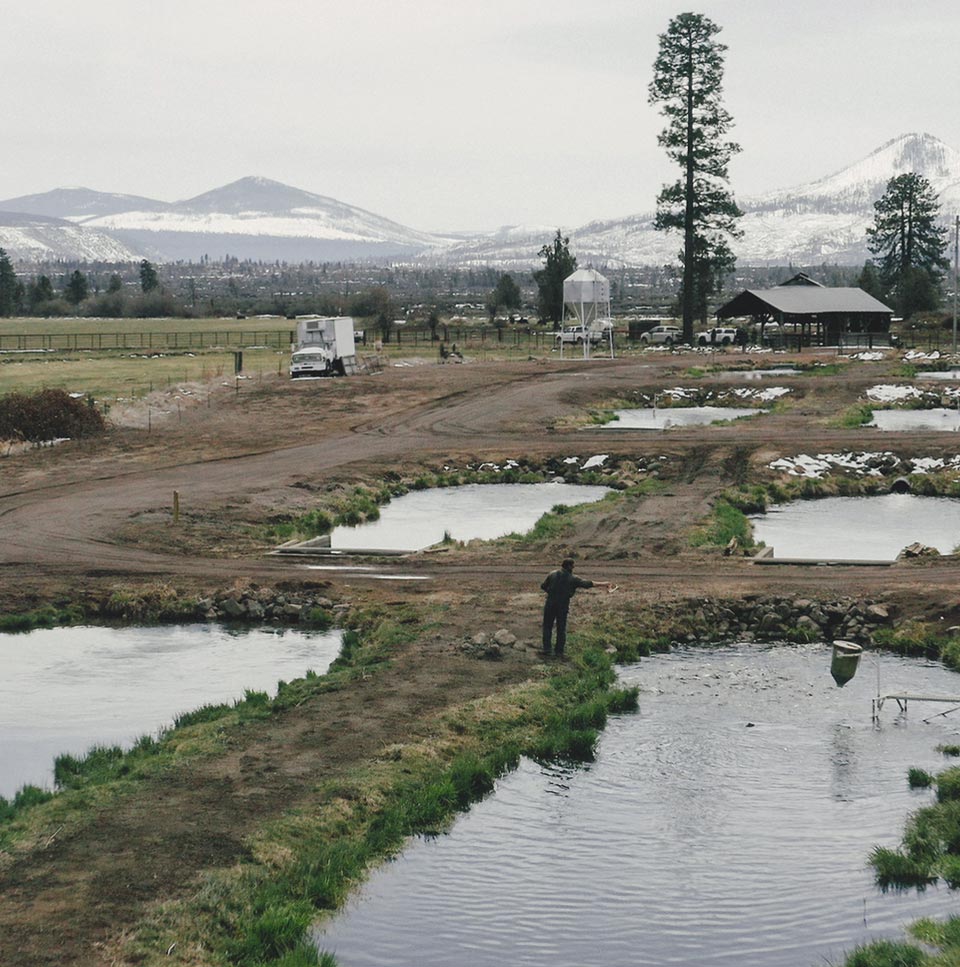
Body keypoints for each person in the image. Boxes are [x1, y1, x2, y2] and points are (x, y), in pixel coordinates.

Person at [540, 558, 608, 658]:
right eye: (572, 565)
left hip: (550, 604)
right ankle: (559, 652)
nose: (573, 567)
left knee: (547, 627)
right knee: (561, 628)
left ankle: (547, 650)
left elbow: (543, 586)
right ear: (569, 566)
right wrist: (604, 584)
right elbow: (587, 584)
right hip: (562, 606)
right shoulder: (573, 578)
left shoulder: (552, 574)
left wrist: (551, 592)